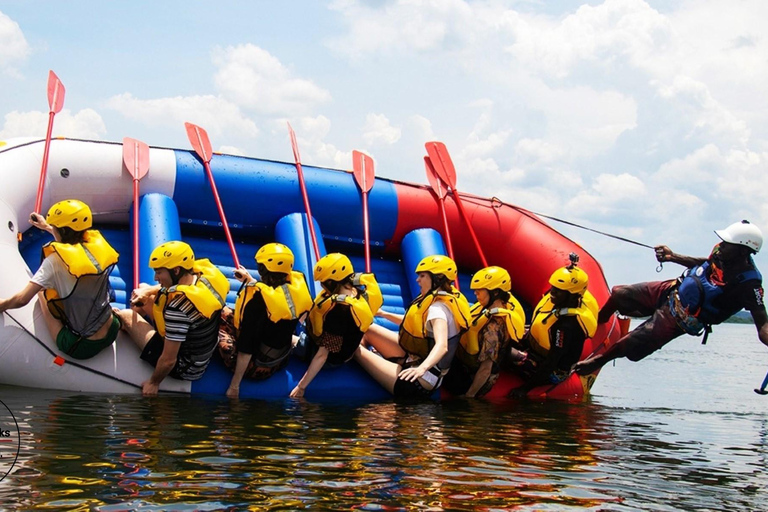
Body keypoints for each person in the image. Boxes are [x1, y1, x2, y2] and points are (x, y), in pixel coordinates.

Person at [573, 220, 768, 375]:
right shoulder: (721, 252)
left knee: (633, 343)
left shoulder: (749, 285)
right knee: (620, 293)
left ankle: (599, 360)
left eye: (728, 244)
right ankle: (600, 321)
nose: (722, 246)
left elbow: (763, 325)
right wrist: (672, 256)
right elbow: (705, 263)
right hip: (672, 289)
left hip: (680, 318)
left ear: (743, 251)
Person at [0, 199, 120, 359]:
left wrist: (3, 304)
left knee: (43, 291)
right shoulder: (97, 244)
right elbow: (72, 239)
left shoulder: (54, 262)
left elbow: (22, 300)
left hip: (81, 345)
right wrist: (47, 227)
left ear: (60, 230)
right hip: (112, 328)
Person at [116, 240, 229, 396]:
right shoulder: (203, 277)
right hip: (199, 348)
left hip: (185, 368)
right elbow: (167, 289)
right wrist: (148, 291)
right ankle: (132, 326)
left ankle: (125, 326)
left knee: (126, 315)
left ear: (176, 271)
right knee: (143, 289)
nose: (155, 277)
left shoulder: (178, 307)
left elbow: (169, 360)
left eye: (159, 272)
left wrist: (153, 383)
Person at [355, 255, 472, 399]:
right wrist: (383, 313)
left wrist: (421, 369)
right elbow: (414, 324)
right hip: (414, 358)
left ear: (438, 278)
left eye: (422, 276)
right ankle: (381, 359)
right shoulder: (448, 299)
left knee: (353, 347)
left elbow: (442, 346)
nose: (418, 280)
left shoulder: (438, 309)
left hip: (416, 384)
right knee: (366, 329)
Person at [221, 243, 312, 398]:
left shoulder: (258, 301)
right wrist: (250, 281)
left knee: (220, 329)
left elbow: (246, 347)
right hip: (281, 359)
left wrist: (234, 386)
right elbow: (275, 296)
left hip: (258, 368)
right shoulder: (296, 286)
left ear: (263, 269)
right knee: (226, 312)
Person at [290, 253, 383, 398]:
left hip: (332, 360)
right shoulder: (357, 290)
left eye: (324, 282)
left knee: (288, 340)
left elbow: (322, 355)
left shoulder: (340, 311)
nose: (322, 286)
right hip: (347, 346)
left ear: (333, 282)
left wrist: (301, 387)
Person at [510, 259, 597, 396]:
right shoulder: (566, 304)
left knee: (505, 352)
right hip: (540, 353)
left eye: (559, 291)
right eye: (553, 288)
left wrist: (525, 389)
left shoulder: (566, 326)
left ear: (572, 295)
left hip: (554, 371)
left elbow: (552, 362)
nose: (553, 292)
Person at [442, 266, 525, 398]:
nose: (475, 293)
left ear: (495, 292)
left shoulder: (493, 329)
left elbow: (486, 370)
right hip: (465, 362)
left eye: (479, 290)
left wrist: (469, 396)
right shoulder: (487, 309)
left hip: (470, 379)